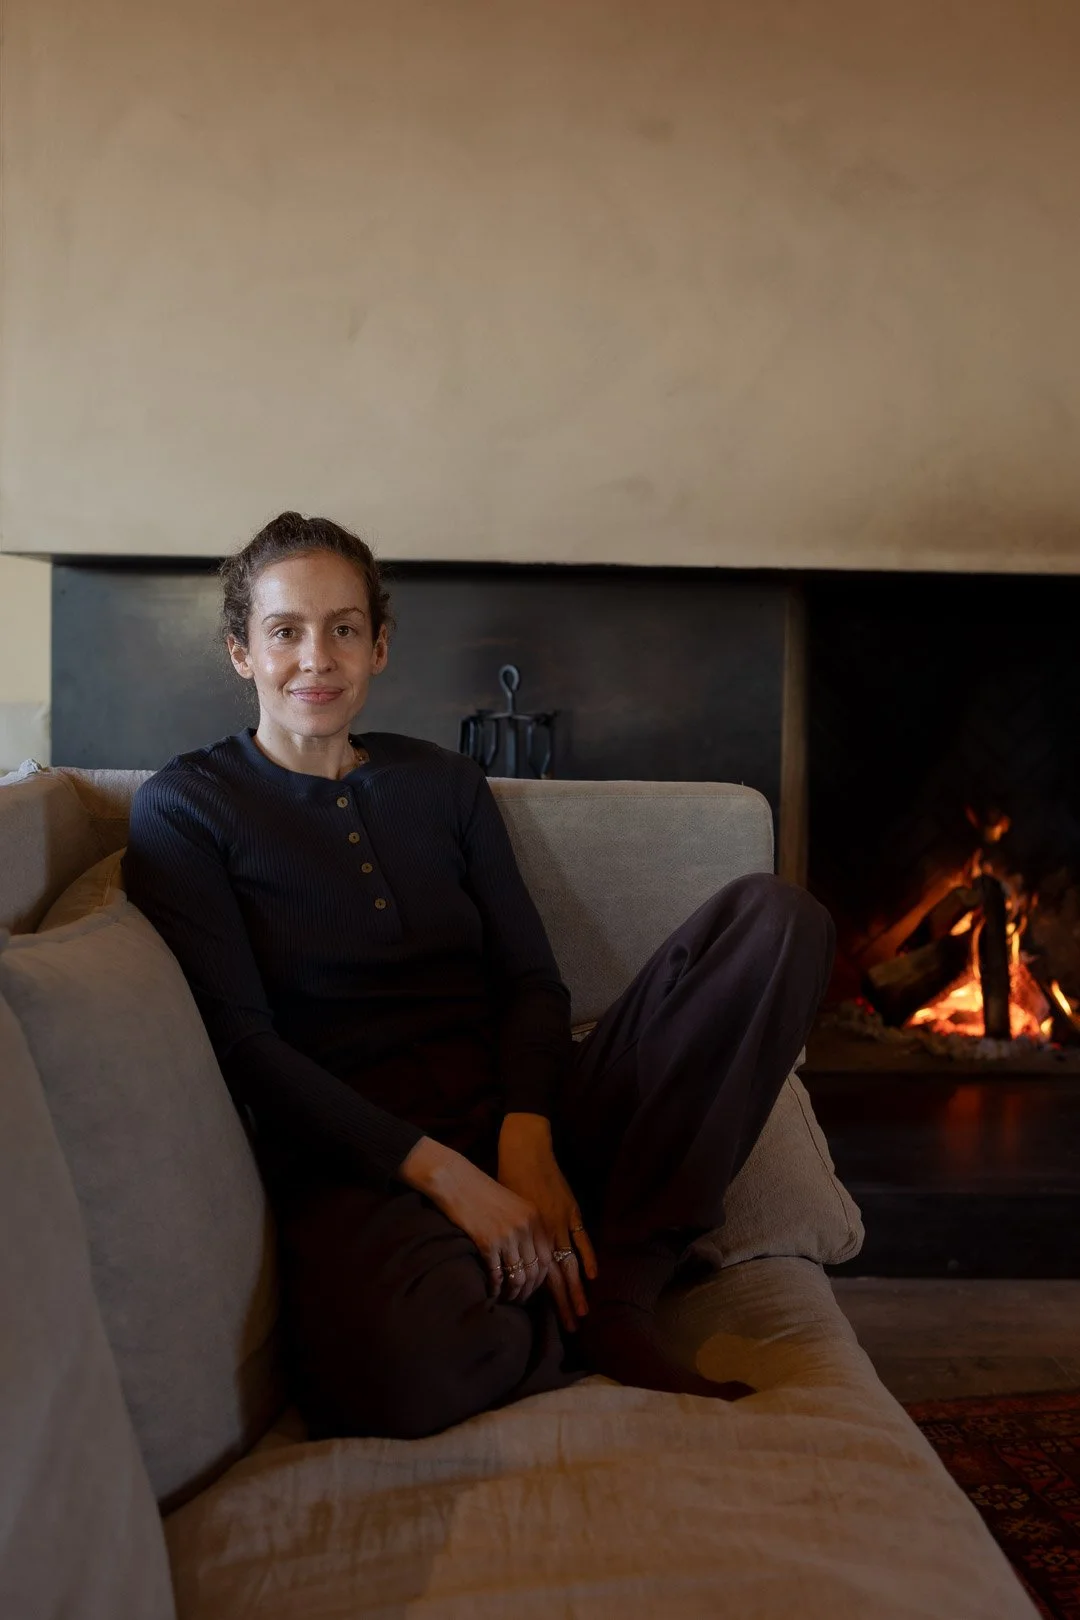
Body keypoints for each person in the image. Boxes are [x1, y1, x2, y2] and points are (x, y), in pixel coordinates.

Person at [123, 511, 835, 1441]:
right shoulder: (188, 809)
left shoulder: (442, 783)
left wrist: (527, 1141)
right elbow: (244, 1046)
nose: (317, 657)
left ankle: (617, 1288)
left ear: (379, 647)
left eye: (344, 628)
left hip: (529, 1115)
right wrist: (456, 1183)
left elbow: (532, 982)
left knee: (779, 922)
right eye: (285, 631)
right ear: (239, 652)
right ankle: (573, 1297)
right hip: (369, 1165)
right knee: (400, 1378)